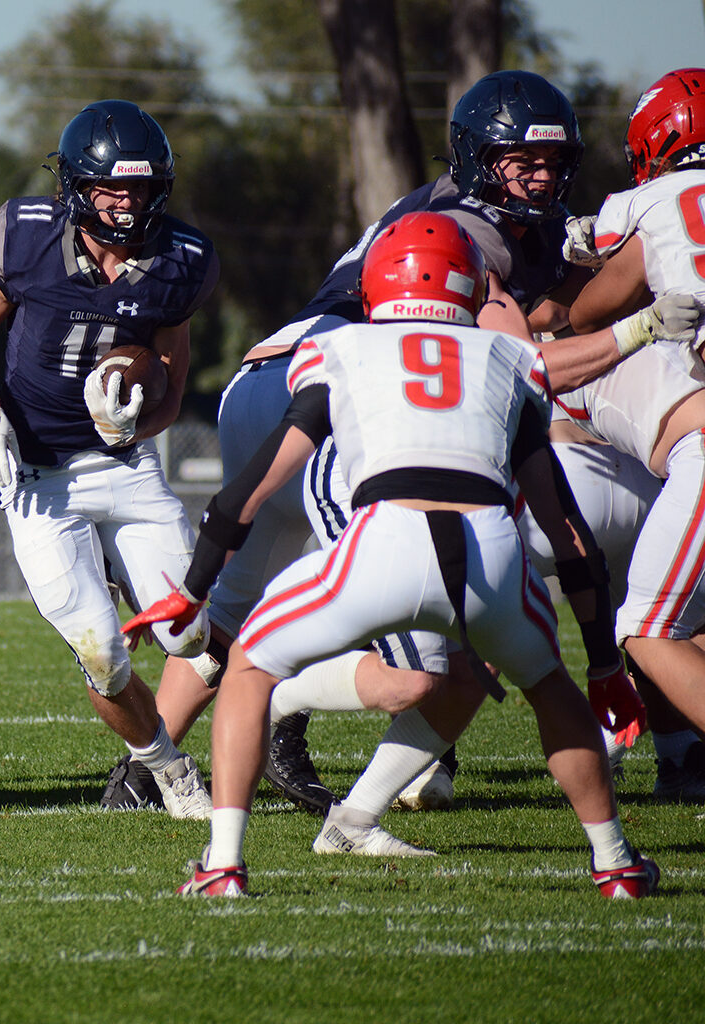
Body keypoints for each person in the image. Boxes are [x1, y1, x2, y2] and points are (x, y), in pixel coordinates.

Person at [198, 70, 697, 818]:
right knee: (604, 624)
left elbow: (558, 322)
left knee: (494, 649)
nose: (541, 179)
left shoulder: (562, 223)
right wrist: (637, 327)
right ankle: (284, 714)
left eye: (552, 163)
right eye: (521, 162)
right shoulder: (466, 235)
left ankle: (162, 762)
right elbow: (533, 354)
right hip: (396, 426)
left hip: (364, 411)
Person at [127, 212, 658, 899]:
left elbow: (247, 494)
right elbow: (569, 536)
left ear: (376, 283)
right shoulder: (509, 359)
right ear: (469, 288)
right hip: (492, 553)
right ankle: (614, 862)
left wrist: (194, 589)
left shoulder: (340, 349)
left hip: (382, 541)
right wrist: (607, 664)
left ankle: (223, 863)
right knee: (550, 689)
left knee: (249, 667)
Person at [0, 99, 222, 818]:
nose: (126, 204)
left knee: (193, 637)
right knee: (102, 654)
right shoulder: (26, 236)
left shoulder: (180, 259)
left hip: (123, 469)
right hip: (37, 473)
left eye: (139, 188)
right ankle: (167, 770)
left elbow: (170, 377)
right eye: (111, 188)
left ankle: (283, 721)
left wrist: (138, 414)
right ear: (75, 185)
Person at [563, 67, 705, 799]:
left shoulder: (650, 200)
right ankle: (687, 760)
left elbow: (589, 312)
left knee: (646, 630)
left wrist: (580, 255)